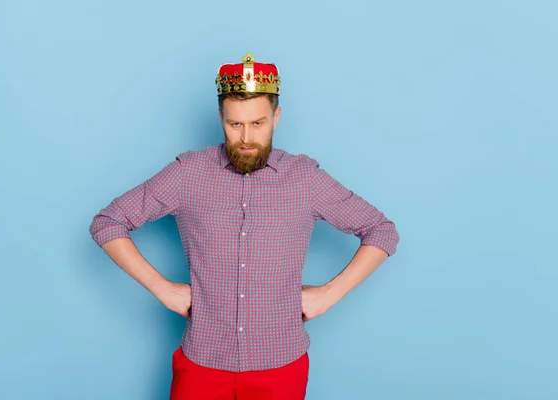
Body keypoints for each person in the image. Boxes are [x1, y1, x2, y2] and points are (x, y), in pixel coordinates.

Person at [89, 52, 400, 400]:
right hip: (202, 361)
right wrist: (162, 288)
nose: (247, 137)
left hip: (281, 364)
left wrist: (329, 294)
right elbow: (108, 222)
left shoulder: (304, 179)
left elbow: (381, 230)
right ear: (221, 118)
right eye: (235, 124)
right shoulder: (188, 174)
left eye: (258, 123)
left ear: (276, 118)